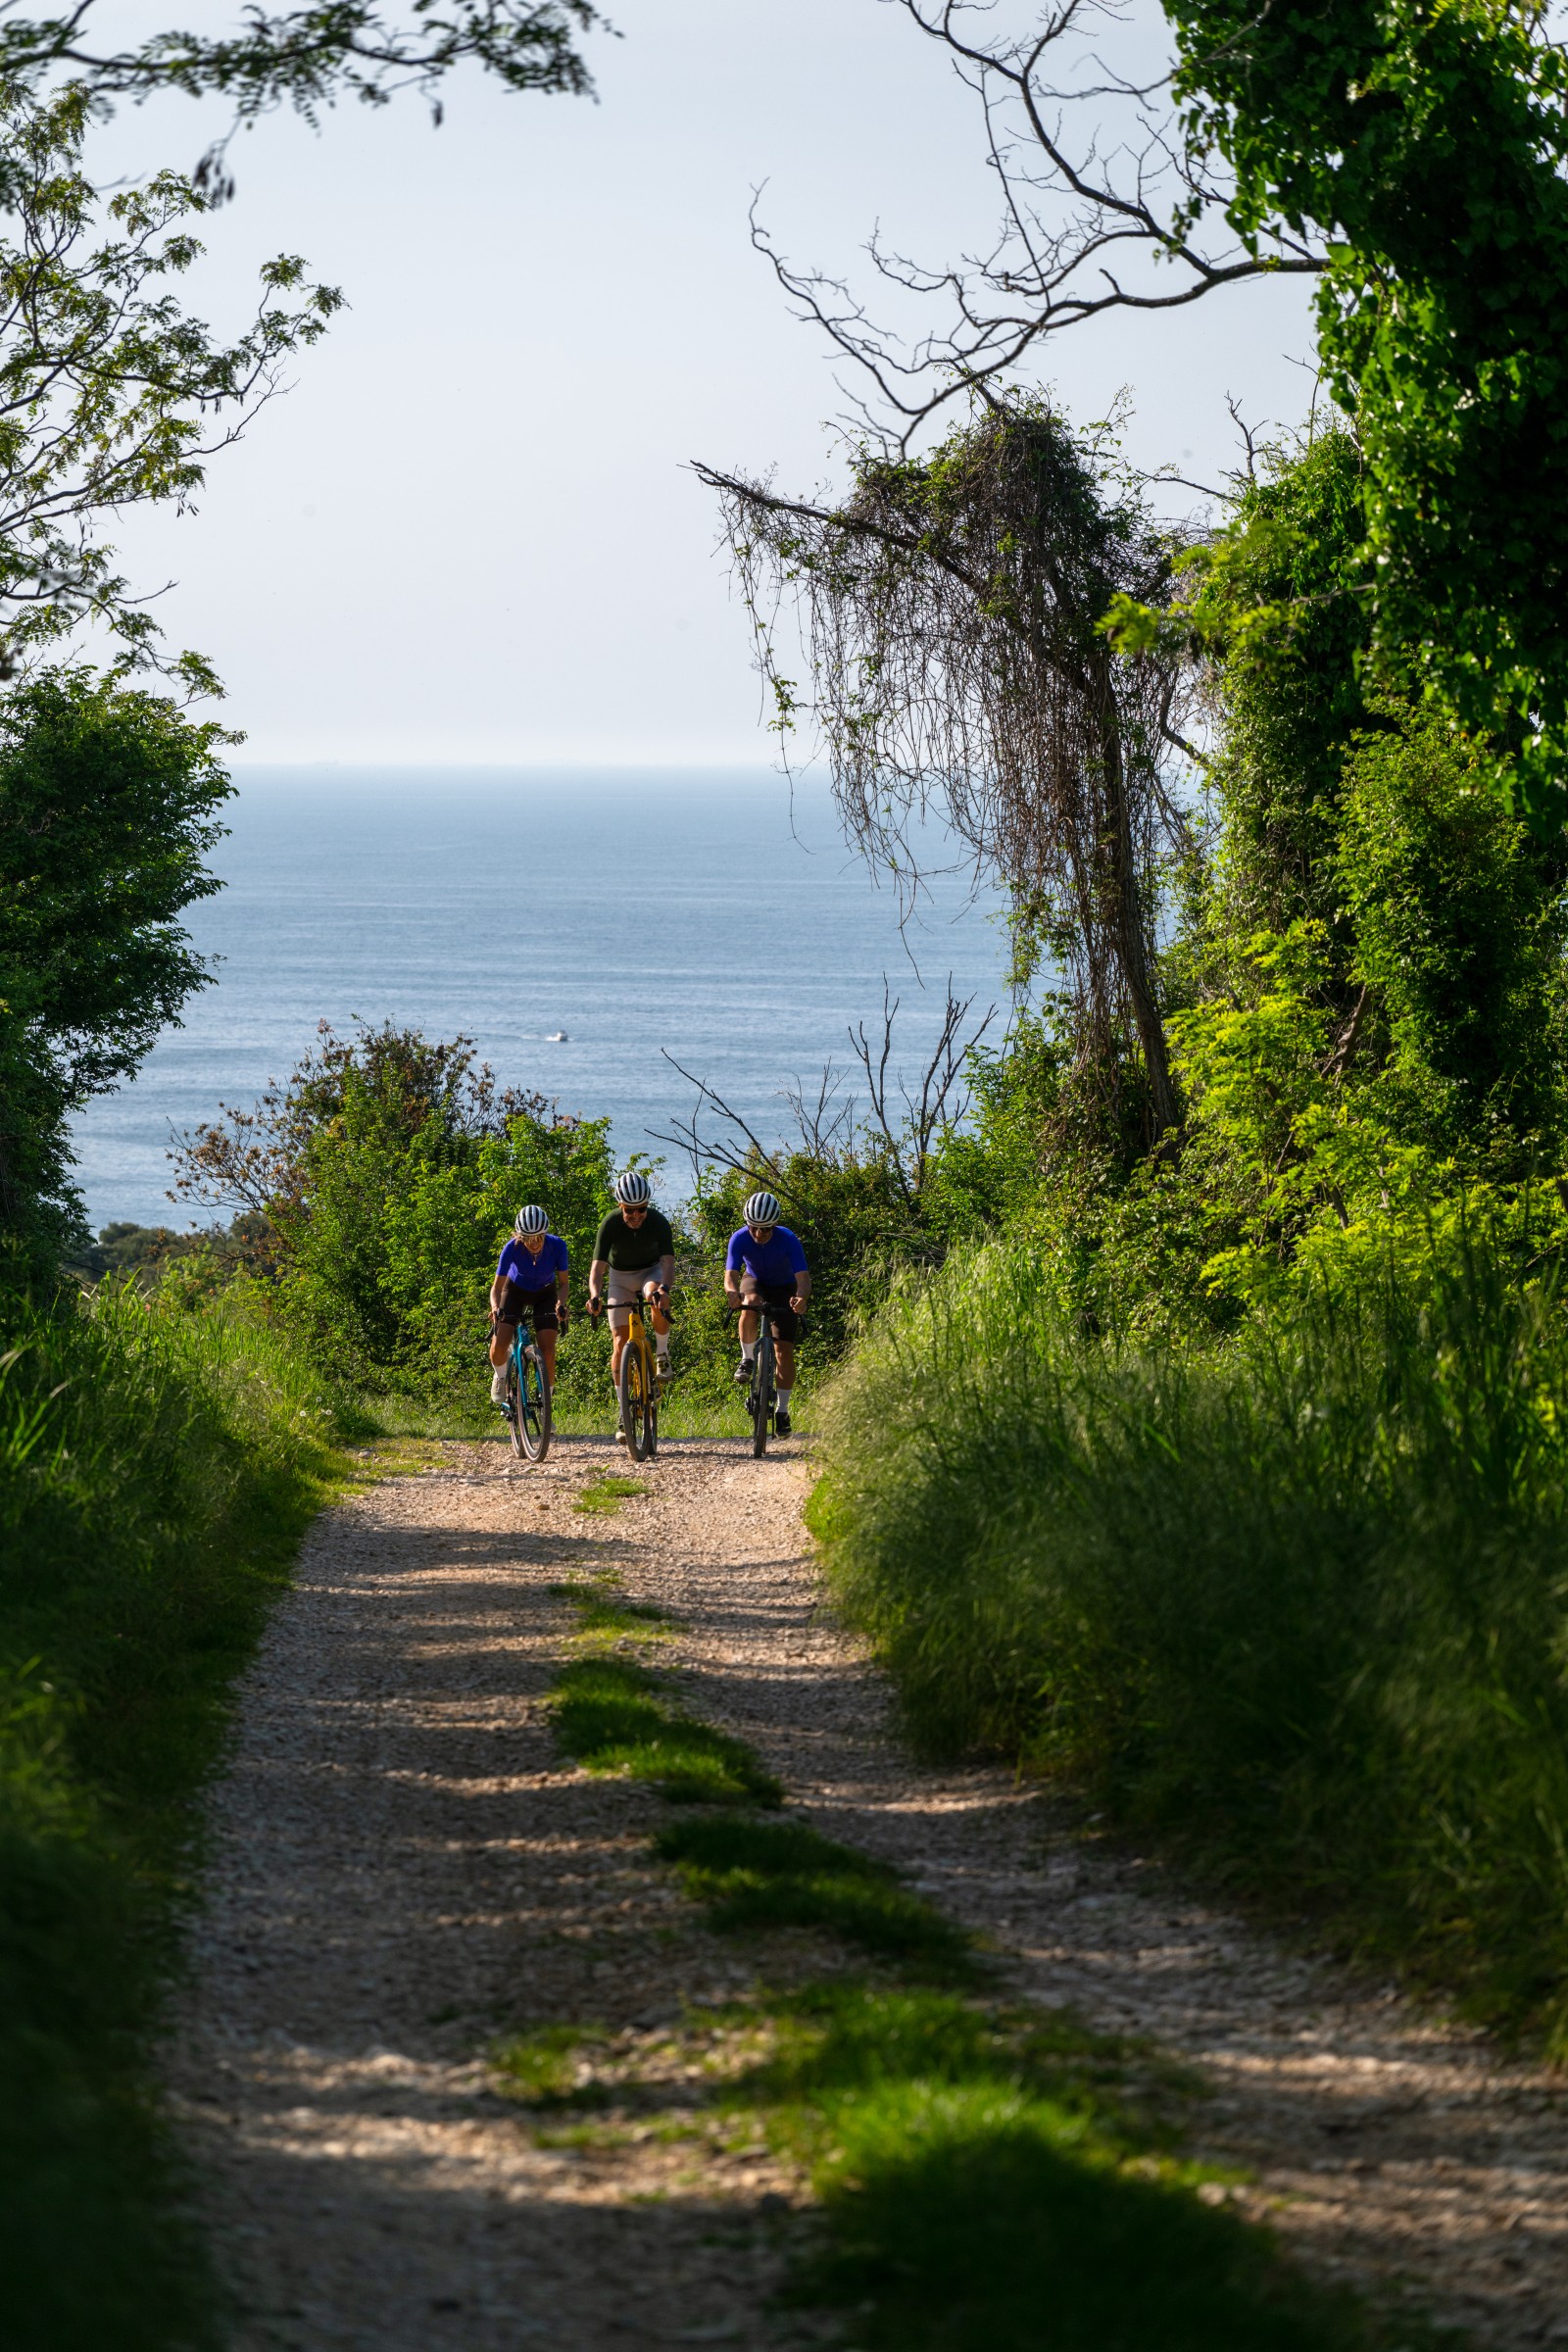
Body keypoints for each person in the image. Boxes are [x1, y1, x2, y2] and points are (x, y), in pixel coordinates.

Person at [587, 1170, 675, 1425]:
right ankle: (623, 1409)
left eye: (641, 1209)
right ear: (620, 1206)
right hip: (620, 1278)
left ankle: (661, 1354)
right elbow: (598, 1268)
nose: (636, 1216)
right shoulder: (610, 1223)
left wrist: (665, 1289)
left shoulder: (658, 1221)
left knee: (653, 1297)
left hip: (651, 1272)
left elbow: (668, 1262)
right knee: (619, 1342)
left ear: (648, 1206)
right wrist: (595, 1295)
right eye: (629, 1210)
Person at [723, 1189, 810, 1438]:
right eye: (754, 1228)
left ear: (775, 1225)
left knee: (783, 1350)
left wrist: (801, 1298)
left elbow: (803, 1279)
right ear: (748, 1224)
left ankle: (782, 1411)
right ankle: (747, 1358)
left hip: (785, 1287)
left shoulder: (788, 1239)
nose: (759, 1234)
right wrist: (732, 1292)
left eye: (766, 1229)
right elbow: (731, 1274)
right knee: (749, 1302)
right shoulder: (739, 1238)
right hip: (756, 1280)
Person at [489, 1204, 569, 1405]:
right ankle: (500, 1375)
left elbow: (564, 1284)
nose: (534, 1243)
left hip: (545, 1293)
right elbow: (496, 1288)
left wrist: (561, 1303)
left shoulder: (558, 1246)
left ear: (545, 1233)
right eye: (528, 1239)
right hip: (514, 1290)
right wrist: (495, 1308)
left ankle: (547, 1403)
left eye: (539, 1238)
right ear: (520, 1237)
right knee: (500, 1343)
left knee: (548, 1350)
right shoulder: (511, 1248)